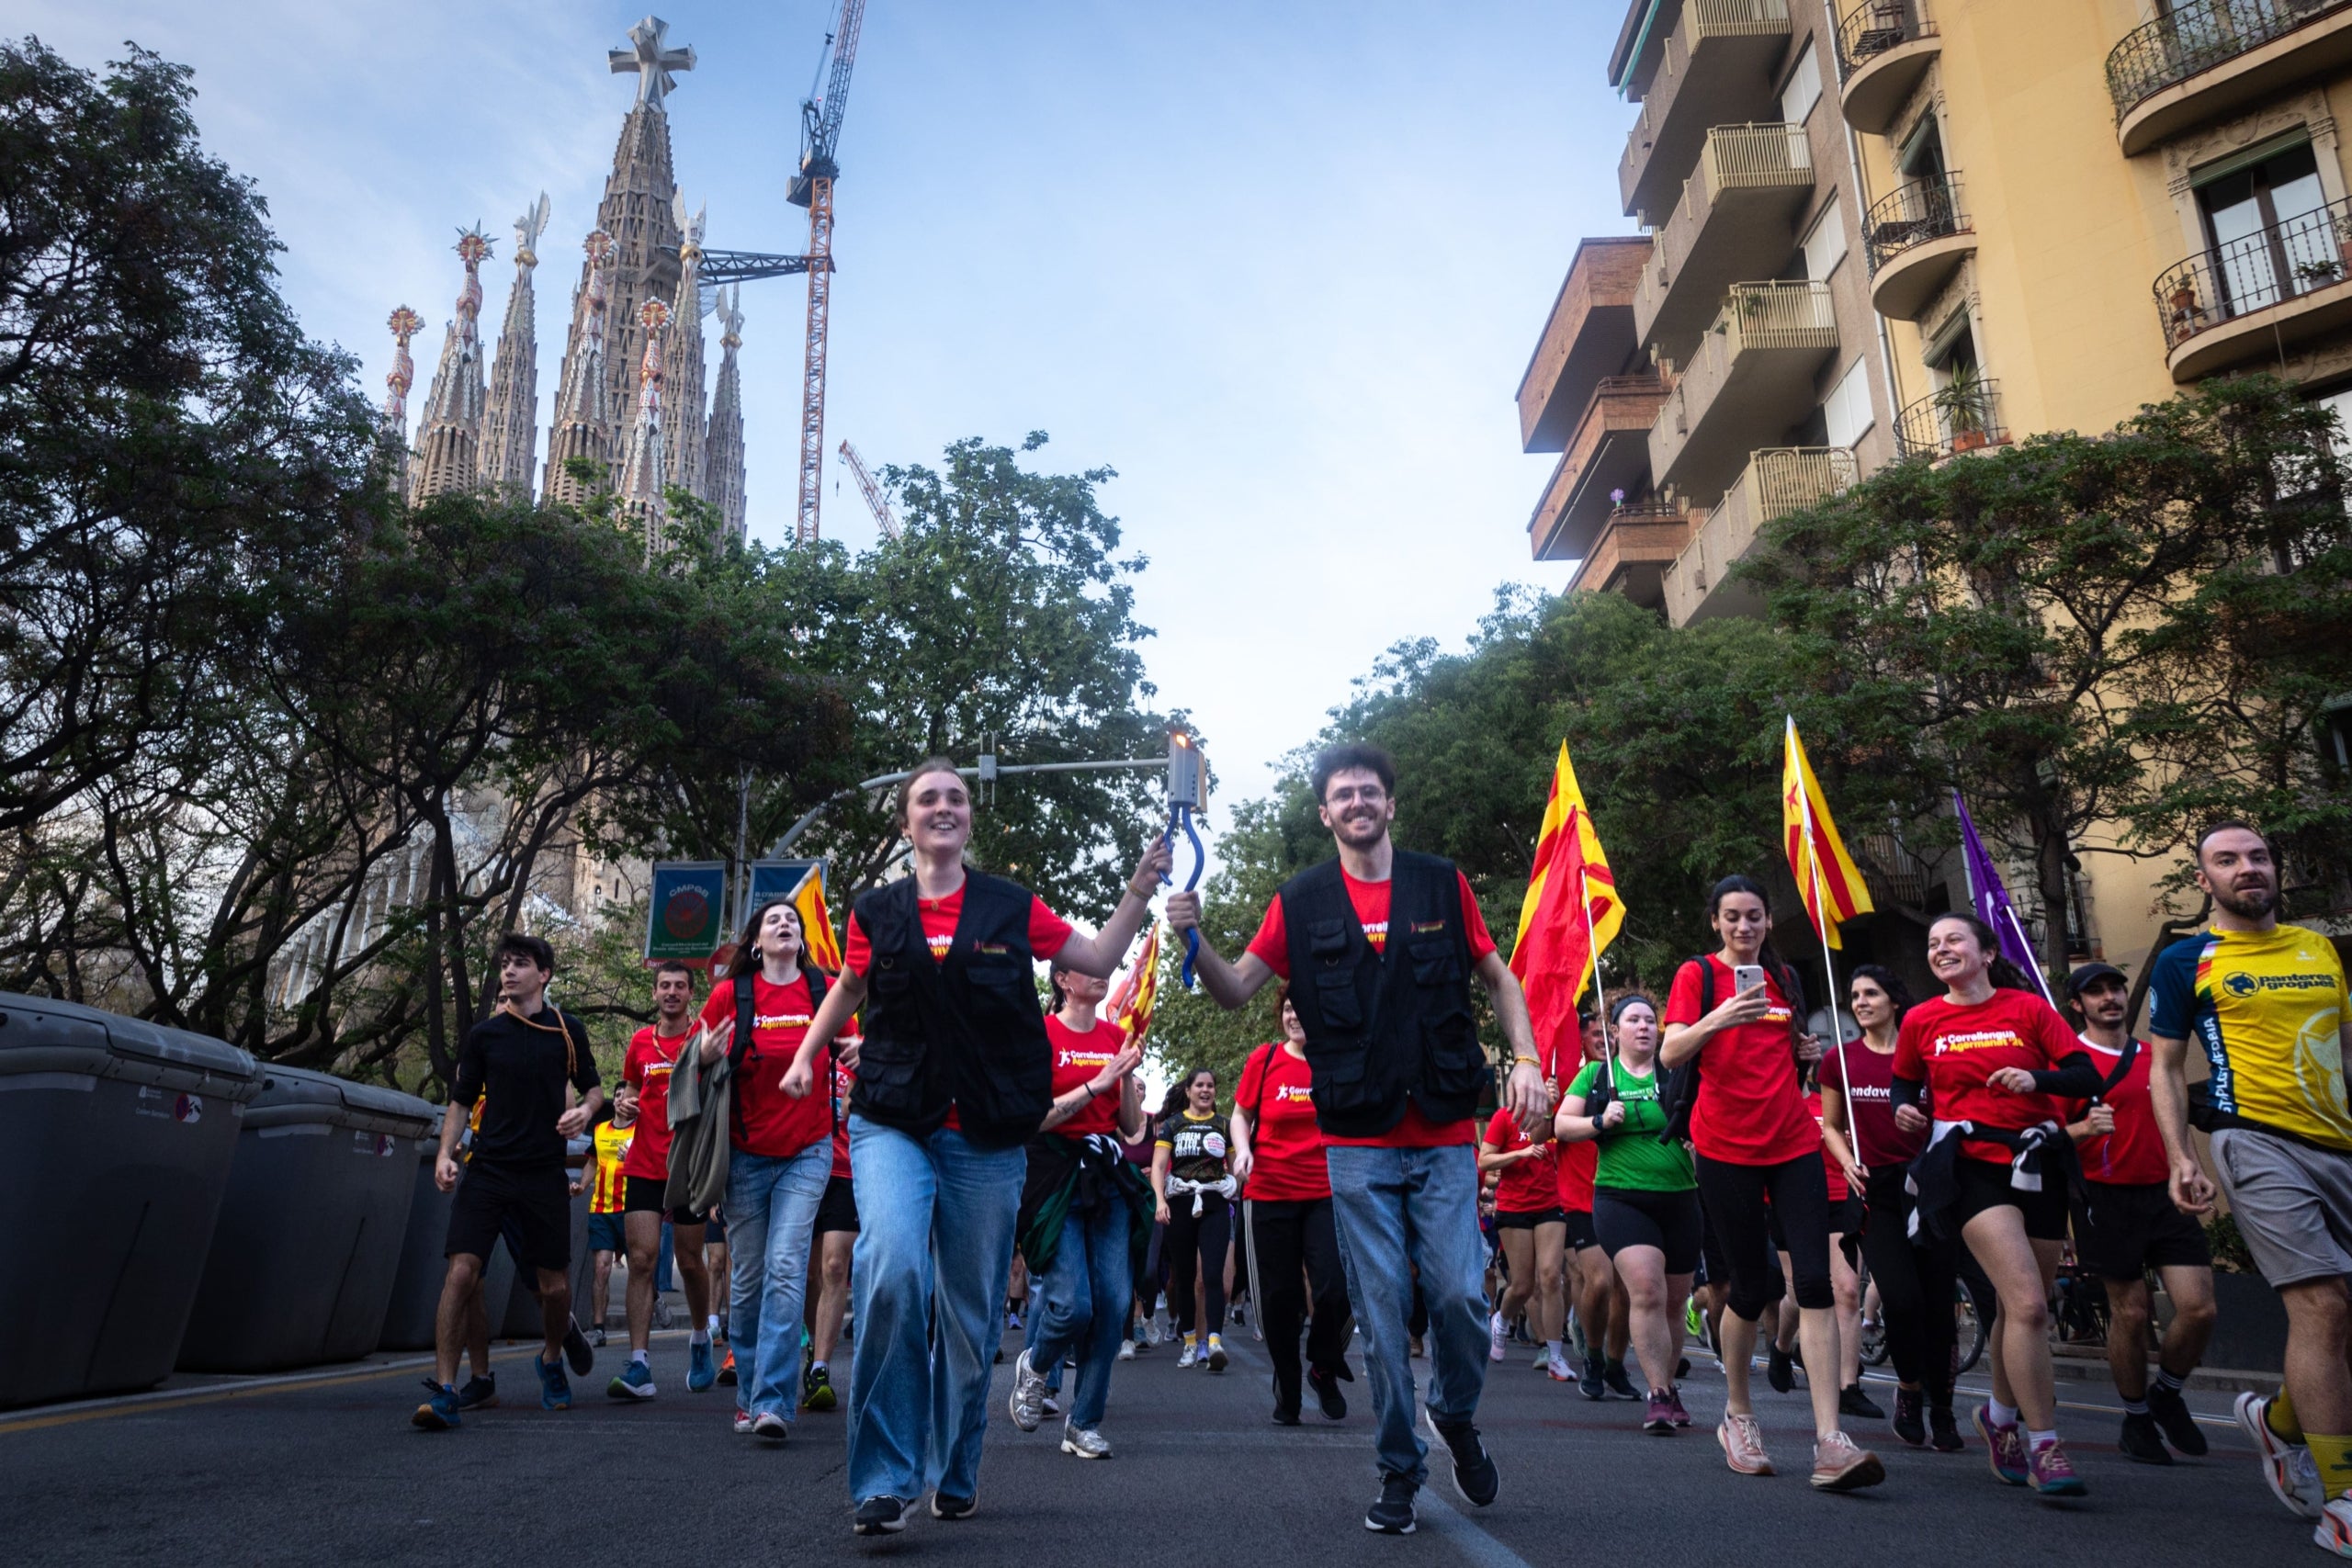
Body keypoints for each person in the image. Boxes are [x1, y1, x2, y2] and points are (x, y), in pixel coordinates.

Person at [1168, 741, 1545, 1536]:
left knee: (1456, 1297)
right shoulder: (1299, 900)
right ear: (1325, 812)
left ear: (1390, 805)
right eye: (1343, 794)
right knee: (1380, 1311)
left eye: (1370, 791)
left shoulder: (1440, 881)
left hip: (1445, 1129)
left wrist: (1529, 1060)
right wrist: (1190, 942)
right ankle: (1398, 1469)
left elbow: (1500, 976)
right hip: (1358, 1140)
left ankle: (1455, 1412)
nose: (1358, 802)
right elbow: (1237, 989)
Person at [783, 759, 1169, 1535]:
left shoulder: (1008, 905)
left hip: (987, 1133)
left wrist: (1137, 888)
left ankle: (957, 1464)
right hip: (894, 1117)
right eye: (927, 797)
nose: (944, 806)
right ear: (906, 823)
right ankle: (886, 1480)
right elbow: (850, 986)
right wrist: (807, 1053)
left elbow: (1093, 959)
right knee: (890, 1266)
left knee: (970, 1313)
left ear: (969, 818)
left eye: (956, 796)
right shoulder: (876, 911)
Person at [2145, 823, 2352, 1548]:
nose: (2247, 868)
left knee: (2343, 1319)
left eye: (2257, 856)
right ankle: (2343, 1499)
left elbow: (2344, 1051)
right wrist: (2182, 1156)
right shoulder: (2188, 958)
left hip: (2340, 1144)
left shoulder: (2318, 948)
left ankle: (2279, 1421)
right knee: (2322, 1305)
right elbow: (2165, 1068)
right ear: (2205, 880)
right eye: (2227, 860)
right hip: (2255, 1141)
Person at [1659, 874, 1882, 1490]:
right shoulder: (1697, 976)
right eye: (1732, 917)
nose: (1744, 927)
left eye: (1754, 916)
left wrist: (1803, 1049)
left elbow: (1784, 1056)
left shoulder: (1784, 977)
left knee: (1812, 1280)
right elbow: (1673, 1051)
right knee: (1749, 1286)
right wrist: (1721, 1016)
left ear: (1767, 920)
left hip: (1793, 1143)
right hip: (1726, 1147)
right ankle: (1737, 1413)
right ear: (1715, 921)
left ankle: (1830, 1439)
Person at [1894, 912, 2105, 1497]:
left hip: (2037, 1163)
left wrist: (2036, 1081)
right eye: (1933, 944)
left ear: (1986, 952)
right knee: (2031, 1306)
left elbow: (2087, 1076)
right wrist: (1904, 1111)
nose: (1942, 949)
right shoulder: (1920, 1019)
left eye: (1954, 939)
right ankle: (2046, 1445)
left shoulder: (2029, 1009)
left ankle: (1999, 1419)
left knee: (2020, 1312)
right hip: (1968, 1167)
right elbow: (1904, 1084)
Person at [413, 934, 602, 1429]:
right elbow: (459, 1101)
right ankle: (447, 1389)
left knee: (555, 1289)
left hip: (543, 1173)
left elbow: (595, 1090)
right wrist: (445, 1154)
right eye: (504, 964)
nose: (509, 971)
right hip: (489, 1170)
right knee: (461, 1273)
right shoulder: (484, 1036)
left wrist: (583, 1111)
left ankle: (551, 1358)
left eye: (521, 964)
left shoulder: (567, 1031)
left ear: (544, 974)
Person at [2063, 959, 2216, 1465]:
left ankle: (2166, 1395)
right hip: (2105, 1198)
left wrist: (2189, 1167)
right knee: (2129, 1312)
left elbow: (2176, 1122)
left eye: (2115, 989)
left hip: (2165, 1194)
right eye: (2096, 992)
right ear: (2077, 1004)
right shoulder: (2070, 1066)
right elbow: (2043, 1139)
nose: (2109, 998)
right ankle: (2135, 1420)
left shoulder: (2157, 1057)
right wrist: (2082, 1130)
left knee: (2198, 1309)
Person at [692, 898, 833, 1443]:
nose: (784, 925)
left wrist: (857, 1052)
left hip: (809, 1149)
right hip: (745, 1154)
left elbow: (850, 1049)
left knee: (786, 1268)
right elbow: (695, 1064)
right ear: (757, 941)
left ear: (802, 940)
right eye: (773, 920)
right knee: (748, 1281)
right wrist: (704, 1054)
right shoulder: (732, 993)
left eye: (792, 922)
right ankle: (749, 1395)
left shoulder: (823, 991)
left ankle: (774, 1400)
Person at [1819, 965, 1962, 1452]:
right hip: (1873, 1191)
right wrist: (1846, 1164)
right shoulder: (1840, 1058)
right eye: (1855, 995)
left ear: (1894, 1000)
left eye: (1871, 994)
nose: (1861, 1002)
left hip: (1931, 1188)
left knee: (1939, 1305)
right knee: (1901, 1300)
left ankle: (1943, 1409)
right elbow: (1830, 1126)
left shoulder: (1926, 1056)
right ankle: (1909, 1389)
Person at [1008, 965, 1149, 1457]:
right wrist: (1097, 1083)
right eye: (1088, 969)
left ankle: (1083, 1423)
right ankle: (1036, 1364)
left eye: (1104, 970)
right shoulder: (1041, 1034)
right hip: (1051, 1176)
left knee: (1113, 1303)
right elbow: (1034, 1116)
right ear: (1064, 980)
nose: (1101, 975)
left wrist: (1126, 1076)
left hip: (1105, 1176)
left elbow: (1131, 1129)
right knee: (1072, 1304)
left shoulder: (1116, 1035)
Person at [1560, 992, 1701, 1435]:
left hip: (1681, 1196)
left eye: (1650, 1020)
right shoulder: (1596, 1075)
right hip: (1621, 1198)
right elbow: (1563, 1125)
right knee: (1645, 1289)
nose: (1644, 1026)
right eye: (1633, 1020)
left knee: (1675, 1303)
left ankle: (1670, 1388)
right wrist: (1600, 1122)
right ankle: (1657, 1393)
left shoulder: (1675, 1073)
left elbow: (1705, 1118)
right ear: (1615, 1030)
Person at [1233, 988, 1354, 1424]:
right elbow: (1240, 1114)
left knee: (1336, 1288)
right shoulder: (1263, 1060)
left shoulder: (1338, 1061)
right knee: (1280, 1298)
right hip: (1269, 1193)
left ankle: (1323, 1366)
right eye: (1288, 1008)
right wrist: (1242, 1150)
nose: (1294, 1015)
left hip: (1326, 1192)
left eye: (1302, 1007)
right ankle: (1287, 1383)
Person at [609, 960, 717, 1400]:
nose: (671, 992)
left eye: (679, 986)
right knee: (641, 1260)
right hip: (645, 1162)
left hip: (688, 1165)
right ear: (653, 994)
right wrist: (624, 1109)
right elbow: (628, 1097)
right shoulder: (639, 1042)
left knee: (691, 1261)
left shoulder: (705, 1038)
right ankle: (640, 1366)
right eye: (664, 986)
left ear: (692, 994)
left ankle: (699, 1336)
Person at [1555, 1010, 1633, 1398]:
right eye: (1594, 1033)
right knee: (1599, 1282)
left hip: (1627, 1193)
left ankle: (1616, 1366)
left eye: (1609, 1032)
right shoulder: (1578, 1080)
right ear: (1581, 1041)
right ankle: (1594, 1358)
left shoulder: (1634, 1076)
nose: (1604, 1038)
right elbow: (1546, 1131)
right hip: (1582, 1195)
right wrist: (1597, 1120)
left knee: (1628, 1289)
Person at [1152, 1066, 1238, 1371]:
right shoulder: (1173, 1125)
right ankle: (1189, 1343)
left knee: (1213, 1276)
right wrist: (1160, 1201)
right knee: (1185, 1278)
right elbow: (1160, 1165)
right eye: (1199, 1085)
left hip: (1215, 1205)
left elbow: (1235, 1164)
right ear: (1188, 1091)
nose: (1206, 1090)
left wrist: (1239, 1176)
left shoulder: (1224, 1125)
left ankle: (1214, 1341)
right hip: (1180, 1205)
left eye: (1211, 1086)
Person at [1479, 1087, 1566, 1381]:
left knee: (1552, 1276)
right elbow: (1485, 1161)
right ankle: (1501, 1321)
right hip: (1514, 1208)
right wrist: (1520, 1153)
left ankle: (1555, 1356)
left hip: (1551, 1204)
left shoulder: (1552, 1118)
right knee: (1523, 1285)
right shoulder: (1504, 1117)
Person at [803, 1026, 861, 1414]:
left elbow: (854, 1107)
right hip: (801, 1170)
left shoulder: (856, 1052)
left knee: (835, 1267)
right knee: (808, 1275)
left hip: (846, 1172)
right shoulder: (798, 1049)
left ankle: (821, 1368)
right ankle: (811, 1349)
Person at [574, 1093, 635, 1347]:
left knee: (641, 1268)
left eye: (627, 1096)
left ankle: (654, 1298)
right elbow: (591, 1163)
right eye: (618, 1095)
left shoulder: (642, 1131)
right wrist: (581, 1185)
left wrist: (631, 1157)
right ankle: (598, 1328)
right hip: (600, 1210)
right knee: (601, 1268)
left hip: (632, 1210)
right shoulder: (599, 1130)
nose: (621, 1099)